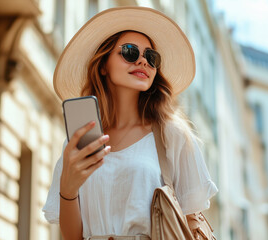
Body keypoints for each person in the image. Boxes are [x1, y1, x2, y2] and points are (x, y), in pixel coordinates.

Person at [43, 6, 218, 240]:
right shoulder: (79, 140)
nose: (143, 61)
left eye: (151, 57)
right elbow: (73, 237)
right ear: (103, 64)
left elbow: (188, 225)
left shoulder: (172, 135)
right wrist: (68, 188)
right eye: (129, 52)